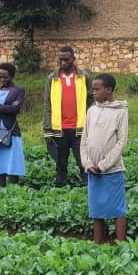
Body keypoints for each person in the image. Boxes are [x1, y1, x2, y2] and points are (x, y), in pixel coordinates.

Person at [81, 73, 129, 244]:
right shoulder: (91, 110)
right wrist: (87, 163)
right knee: (97, 210)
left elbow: (121, 142)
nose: (93, 92)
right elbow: (84, 139)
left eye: (97, 89)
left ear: (109, 90)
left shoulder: (121, 112)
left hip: (112, 170)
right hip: (92, 170)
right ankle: (97, 244)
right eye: (92, 89)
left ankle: (121, 244)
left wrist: (103, 165)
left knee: (117, 209)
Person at [44, 46, 92, 186]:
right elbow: (47, 104)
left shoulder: (84, 76)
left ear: (73, 59)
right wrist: (47, 130)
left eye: (67, 59)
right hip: (59, 130)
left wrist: (92, 123)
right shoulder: (52, 78)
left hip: (80, 129)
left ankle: (88, 189)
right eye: (61, 59)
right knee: (60, 164)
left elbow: (91, 100)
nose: (63, 62)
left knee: (83, 162)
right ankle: (60, 190)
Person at [0, 63, 26, 187]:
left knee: (13, 161)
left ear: (12, 76)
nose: (3, 79)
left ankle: (14, 187)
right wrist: (6, 108)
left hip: (11, 131)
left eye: (6, 77)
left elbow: (15, 110)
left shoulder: (18, 90)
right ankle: (0, 186)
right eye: (0, 77)